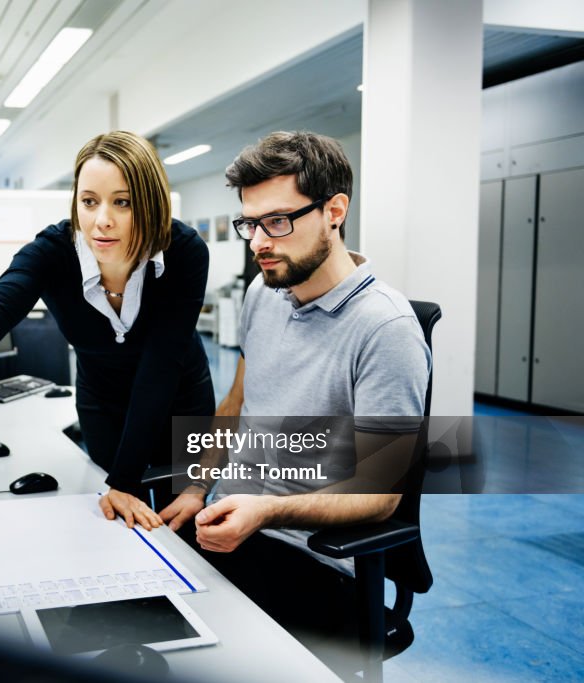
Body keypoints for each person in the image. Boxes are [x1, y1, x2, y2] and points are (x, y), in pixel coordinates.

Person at [168, 131, 430, 650]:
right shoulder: (263, 293)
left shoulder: (387, 329)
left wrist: (264, 510)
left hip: (311, 555)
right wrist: (198, 488)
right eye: (250, 223)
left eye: (278, 221)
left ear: (335, 211)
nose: (259, 242)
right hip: (229, 522)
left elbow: (380, 494)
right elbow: (237, 406)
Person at [0, 131, 215, 529]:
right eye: (89, 201)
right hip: (101, 399)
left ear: (150, 203)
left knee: (181, 521)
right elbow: (6, 294)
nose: (101, 220)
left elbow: (161, 367)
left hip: (179, 397)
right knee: (116, 520)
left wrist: (125, 479)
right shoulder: (54, 250)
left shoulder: (185, 252)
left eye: (123, 202)